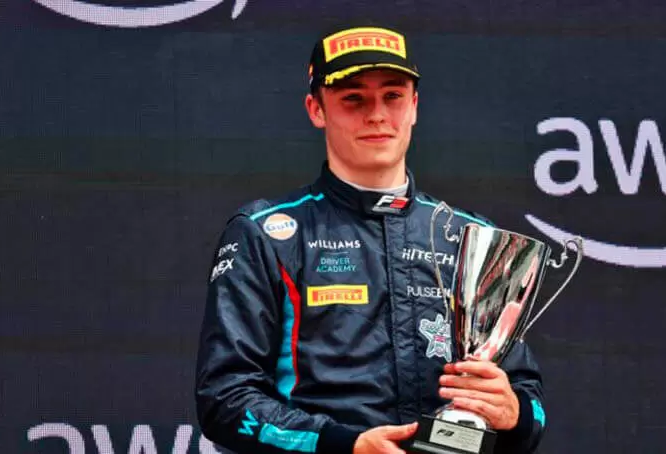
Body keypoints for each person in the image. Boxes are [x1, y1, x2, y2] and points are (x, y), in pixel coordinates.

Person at [195, 24, 546, 454]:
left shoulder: (472, 238)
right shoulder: (267, 234)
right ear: (316, 109)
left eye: (392, 96)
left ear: (414, 106)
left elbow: (529, 406)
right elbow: (224, 399)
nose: (377, 115)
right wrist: (346, 446)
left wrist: (512, 413)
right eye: (353, 99)